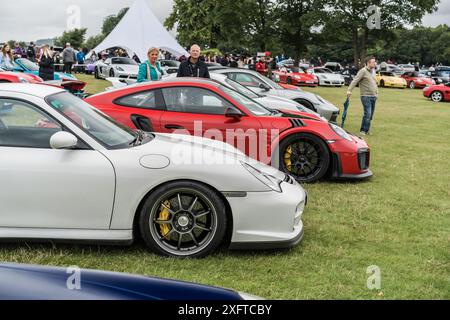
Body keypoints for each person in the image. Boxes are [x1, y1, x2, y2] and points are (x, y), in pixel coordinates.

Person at [347, 56, 379, 136]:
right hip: (365, 96)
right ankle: (363, 130)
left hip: (373, 96)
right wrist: (349, 90)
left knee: (371, 115)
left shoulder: (373, 71)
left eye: (375, 62)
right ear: (368, 63)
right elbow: (355, 80)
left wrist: (377, 93)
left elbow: (374, 83)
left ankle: (367, 130)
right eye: (373, 62)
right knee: (367, 113)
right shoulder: (363, 71)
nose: (375, 63)